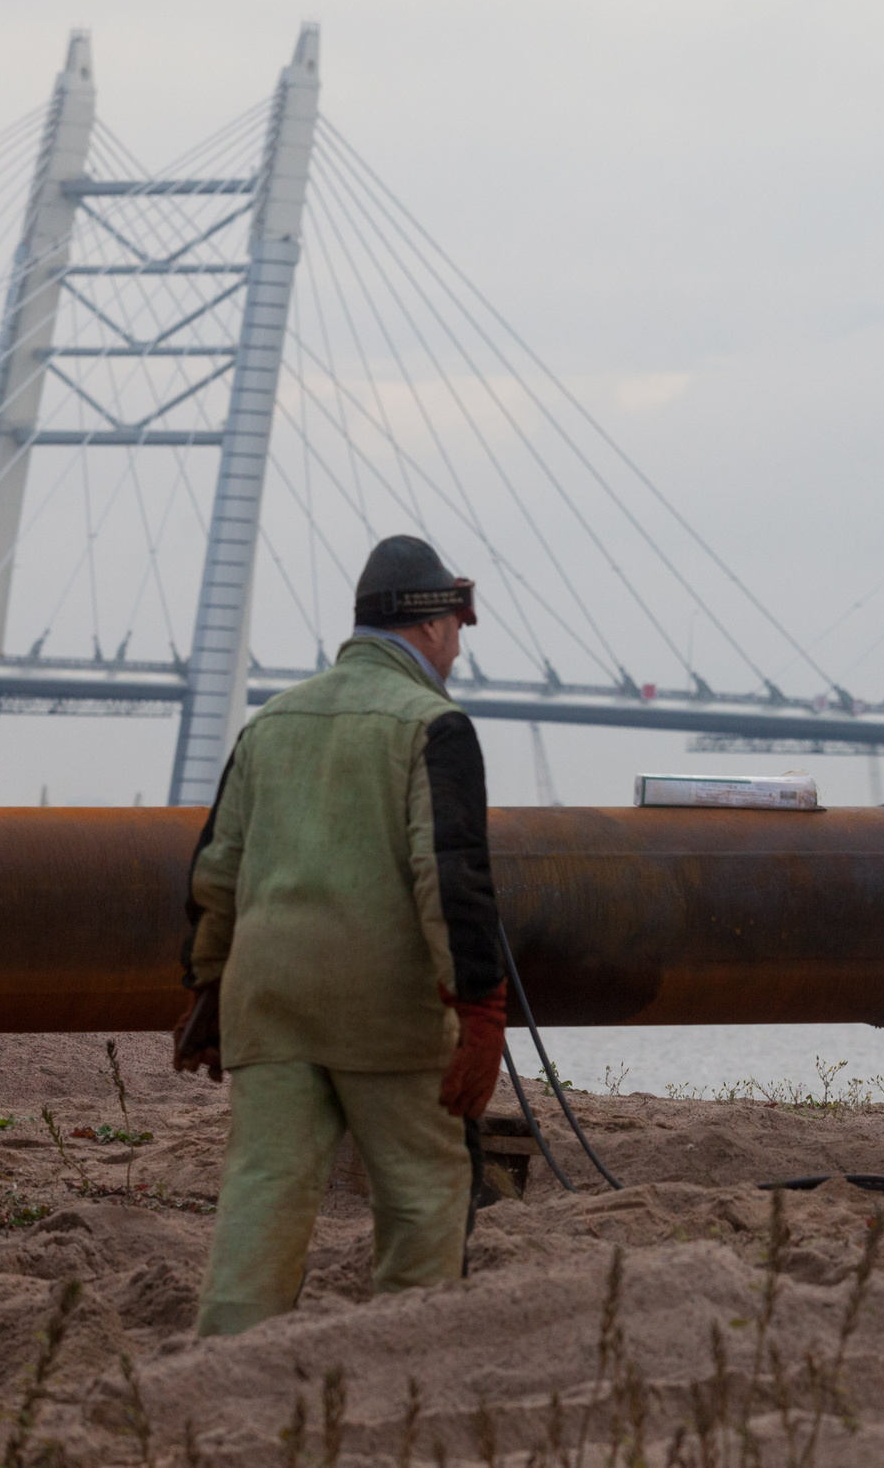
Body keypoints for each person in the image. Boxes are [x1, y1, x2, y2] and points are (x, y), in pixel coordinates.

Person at [172, 535, 508, 1336]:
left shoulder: (271, 722)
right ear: (430, 628)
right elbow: (449, 878)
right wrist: (480, 1009)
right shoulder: (435, 725)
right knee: (423, 1191)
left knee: (262, 1191)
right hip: (385, 1011)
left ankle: (224, 1369)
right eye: (457, 630)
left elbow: (216, 873)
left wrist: (209, 992)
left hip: (270, 1001)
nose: (457, 649)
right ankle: (405, 1360)